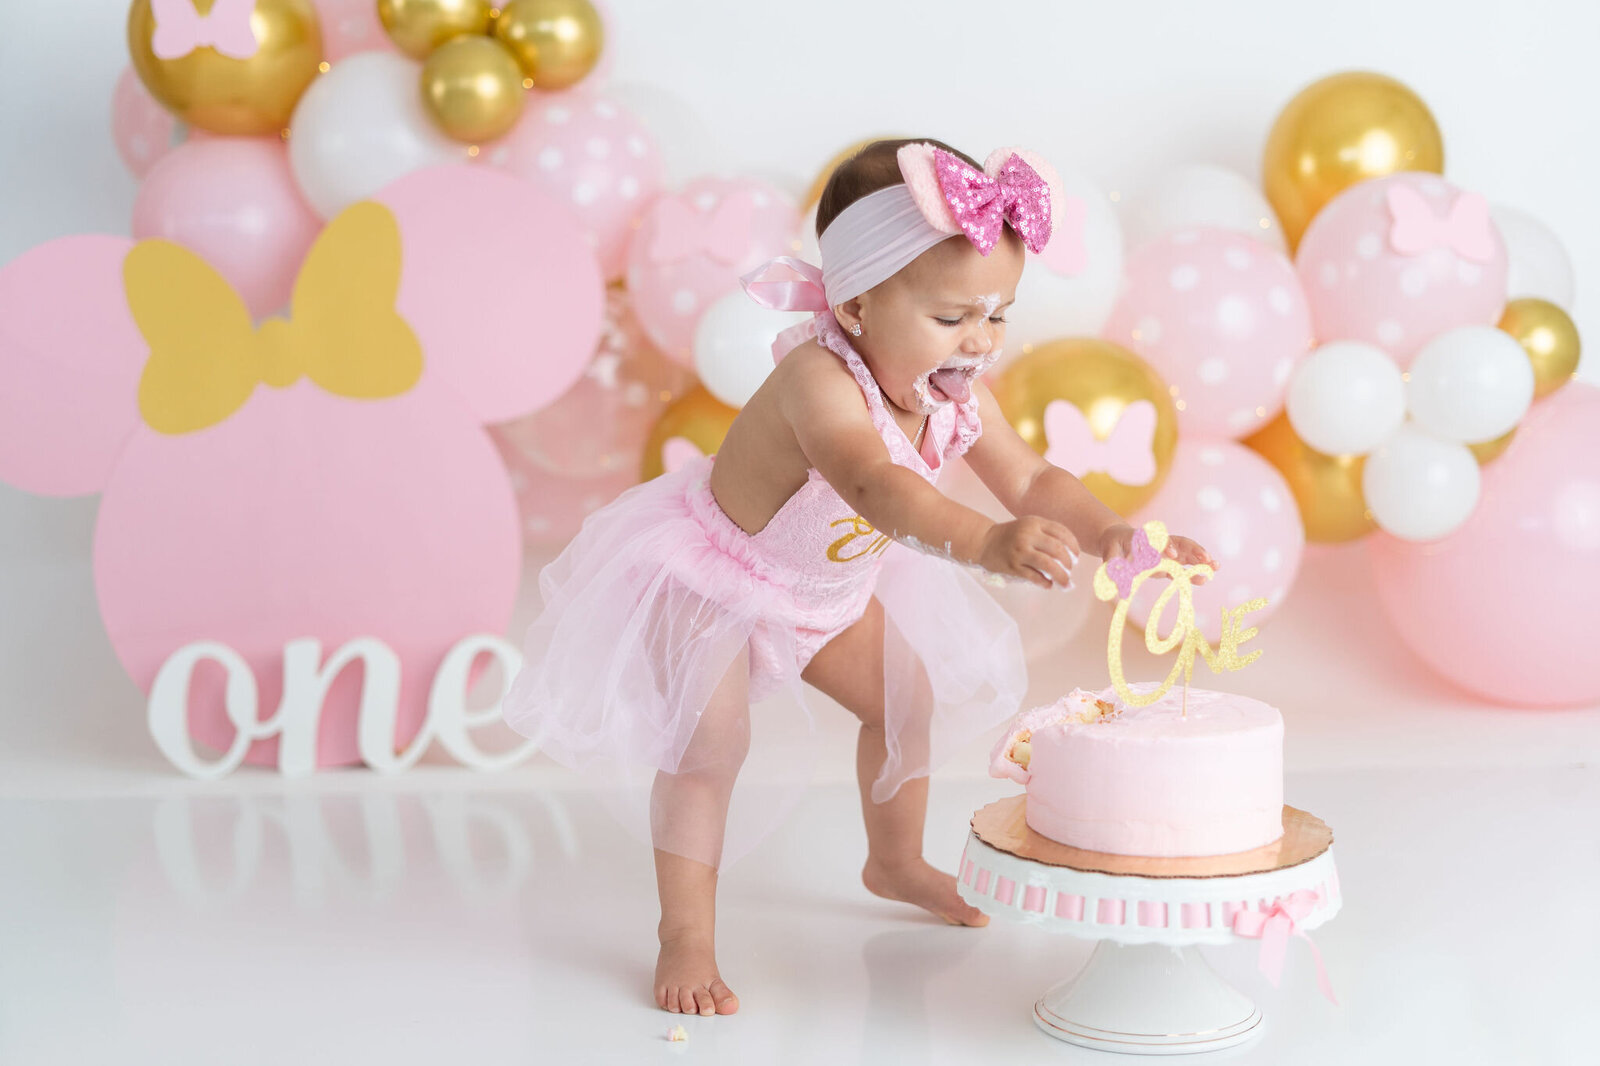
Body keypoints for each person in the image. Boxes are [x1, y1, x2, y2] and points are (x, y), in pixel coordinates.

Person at [503, 138, 1217, 1019]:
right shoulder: (818, 380)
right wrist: (983, 542)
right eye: (952, 317)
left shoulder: (956, 393)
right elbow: (875, 484)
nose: (980, 342)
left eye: (998, 315)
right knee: (708, 749)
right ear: (856, 305)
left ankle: (895, 861)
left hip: (821, 594)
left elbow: (1032, 477)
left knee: (905, 702)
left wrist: (1115, 534)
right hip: (716, 580)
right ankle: (684, 933)